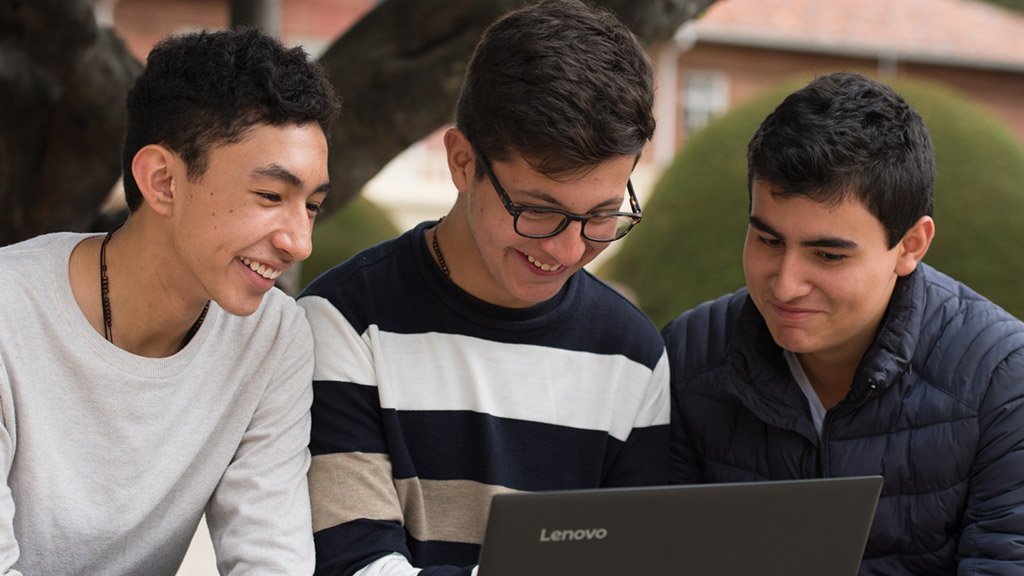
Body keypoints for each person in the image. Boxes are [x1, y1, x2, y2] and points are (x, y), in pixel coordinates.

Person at [298, 1, 669, 574]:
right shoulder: (343, 324)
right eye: (537, 211)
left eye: (603, 214)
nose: (569, 251)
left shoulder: (634, 354)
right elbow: (355, 566)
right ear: (462, 162)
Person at [0, 28, 340, 575]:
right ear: (162, 181)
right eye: (271, 196)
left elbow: (272, 558)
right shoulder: (9, 313)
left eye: (313, 206)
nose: (299, 242)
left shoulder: (272, 336)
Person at [663, 71, 1024, 573]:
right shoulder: (689, 354)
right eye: (768, 241)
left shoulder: (1002, 377)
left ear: (910, 246)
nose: (786, 285)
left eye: (828, 255)